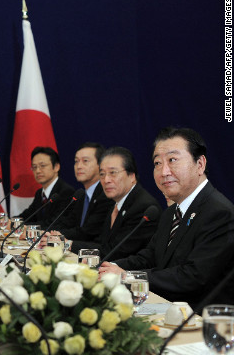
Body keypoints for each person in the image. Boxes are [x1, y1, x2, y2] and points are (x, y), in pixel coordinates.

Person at [100, 128, 234, 309]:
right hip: (168, 309)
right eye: (157, 163)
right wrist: (108, 267)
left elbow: (192, 277)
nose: (164, 172)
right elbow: (149, 257)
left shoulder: (220, 212)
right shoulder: (171, 212)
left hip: (202, 321)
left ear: (200, 164)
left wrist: (127, 276)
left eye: (172, 160)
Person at [70, 147, 160, 260]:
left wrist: (69, 245)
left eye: (113, 173)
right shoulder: (116, 203)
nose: (106, 180)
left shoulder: (143, 207)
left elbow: (117, 251)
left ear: (132, 176)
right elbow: (103, 244)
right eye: (102, 174)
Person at [54, 143, 113, 242]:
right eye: (76, 161)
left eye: (85, 161)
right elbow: (67, 223)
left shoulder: (106, 195)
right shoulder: (81, 195)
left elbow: (88, 232)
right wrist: (47, 232)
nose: (79, 166)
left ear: (101, 165)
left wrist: (58, 235)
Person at [18, 147, 75, 227]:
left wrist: (20, 225)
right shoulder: (39, 193)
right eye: (34, 167)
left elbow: (53, 224)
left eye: (42, 166)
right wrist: (11, 221)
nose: (38, 171)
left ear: (56, 167)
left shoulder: (66, 192)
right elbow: (27, 216)